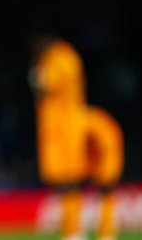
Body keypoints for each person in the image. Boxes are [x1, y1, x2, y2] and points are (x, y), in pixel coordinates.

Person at [30, 36, 124, 240]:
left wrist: (35, 73)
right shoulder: (70, 56)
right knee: (103, 185)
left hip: (63, 129)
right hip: (79, 123)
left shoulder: (55, 58)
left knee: (68, 183)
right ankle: (105, 232)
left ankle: (74, 232)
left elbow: (43, 86)